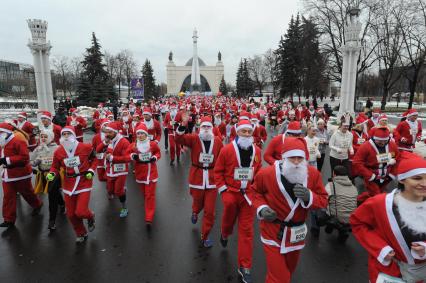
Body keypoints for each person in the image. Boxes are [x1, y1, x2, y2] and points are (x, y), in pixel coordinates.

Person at [252, 137, 328, 283]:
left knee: (287, 271)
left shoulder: (313, 174)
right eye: (292, 158)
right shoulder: (266, 174)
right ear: (283, 157)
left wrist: (309, 197)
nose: (296, 162)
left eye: (300, 158)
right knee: (281, 278)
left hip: (296, 233)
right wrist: (262, 208)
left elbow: (323, 200)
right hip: (272, 230)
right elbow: (254, 192)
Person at [350, 153, 426, 283]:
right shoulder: (379, 203)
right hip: (390, 270)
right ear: (402, 179)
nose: (424, 184)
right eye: (417, 178)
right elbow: (357, 222)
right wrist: (380, 248)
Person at [214, 120, 262, 283]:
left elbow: (259, 173)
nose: (247, 134)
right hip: (231, 193)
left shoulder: (257, 151)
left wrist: (256, 189)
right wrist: (223, 191)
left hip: (248, 196)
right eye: (244, 132)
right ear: (237, 132)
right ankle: (224, 233)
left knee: (247, 231)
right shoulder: (227, 150)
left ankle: (244, 266)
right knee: (228, 221)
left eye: (249, 131)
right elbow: (218, 172)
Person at [176, 115, 224, 248]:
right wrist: (183, 124)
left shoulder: (218, 141)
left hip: (212, 178)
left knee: (210, 210)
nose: (207, 129)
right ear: (200, 128)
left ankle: (205, 235)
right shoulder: (194, 138)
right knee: (197, 201)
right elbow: (178, 139)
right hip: (197, 176)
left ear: (212, 128)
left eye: (209, 126)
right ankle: (195, 212)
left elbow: (223, 159)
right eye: (204, 126)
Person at [47, 126, 96, 243]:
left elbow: (95, 159)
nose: (66, 136)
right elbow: (55, 166)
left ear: (73, 135)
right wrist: (52, 173)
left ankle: (90, 216)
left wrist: (91, 170)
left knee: (81, 211)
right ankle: (81, 233)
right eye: (64, 134)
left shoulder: (85, 147)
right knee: (71, 214)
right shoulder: (58, 151)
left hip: (84, 181)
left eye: (68, 134)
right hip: (68, 183)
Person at [0, 123, 43, 228]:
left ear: (7, 132)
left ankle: (37, 204)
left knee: (27, 193)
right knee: (8, 196)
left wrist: (7, 160)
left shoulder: (18, 141)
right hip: (7, 175)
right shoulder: (2, 142)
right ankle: (9, 219)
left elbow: (24, 157)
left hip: (20, 173)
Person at [126, 123, 161, 228]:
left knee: (150, 195)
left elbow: (158, 153)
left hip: (151, 173)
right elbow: (127, 154)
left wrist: (155, 157)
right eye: (138, 133)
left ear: (146, 134)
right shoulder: (133, 145)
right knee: (145, 194)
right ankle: (149, 207)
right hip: (140, 174)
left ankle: (148, 218)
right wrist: (132, 156)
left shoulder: (152, 145)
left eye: (142, 133)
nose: (140, 135)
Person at [353, 127, 399, 204]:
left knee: (376, 194)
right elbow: (357, 162)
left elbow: (397, 159)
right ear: (374, 138)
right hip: (372, 175)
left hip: (386, 177)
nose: (382, 143)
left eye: (385, 141)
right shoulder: (366, 146)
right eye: (380, 141)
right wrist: (371, 176)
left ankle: (359, 201)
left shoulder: (392, 145)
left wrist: (392, 175)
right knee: (377, 197)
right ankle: (371, 210)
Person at [31, 130, 65, 230]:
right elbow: (32, 161)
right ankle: (62, 203)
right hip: (42, 174)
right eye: (41, 136)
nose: (43, 138)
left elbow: (62, 161)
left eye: (45, 136)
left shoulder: (58, 148)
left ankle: (52, 220)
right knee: (53, 193)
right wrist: (36, 162)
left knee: (52, 196)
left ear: (51, 137)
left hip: (54, 174)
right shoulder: (38, 148)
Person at [96, 122, 131, 217]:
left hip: (121, 170)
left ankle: (124, 208)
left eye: (109, 132)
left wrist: (113, 158)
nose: (107, 134)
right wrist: (104, 142)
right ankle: (121, 190)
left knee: (118, 191)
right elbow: (98, 150)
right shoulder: (109, 140)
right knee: (110, 190)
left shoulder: (124, 142)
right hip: (110, 169)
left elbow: (128, 158)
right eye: (106, 132)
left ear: (115, 132)